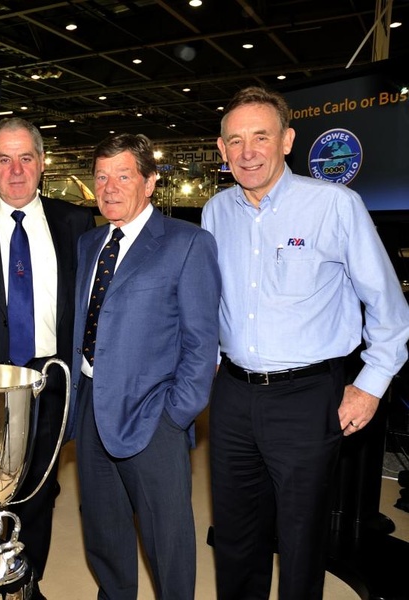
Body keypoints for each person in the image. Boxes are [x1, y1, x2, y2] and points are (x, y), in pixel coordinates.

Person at [201, 86, 409, 600]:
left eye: (261, 137)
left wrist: (371, 385)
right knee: (234, 534)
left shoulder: (334, 205)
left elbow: (388, 305)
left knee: (301, 536)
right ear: (222, 149)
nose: (248, 151)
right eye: (236, 140)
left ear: (287, 140)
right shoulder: (214, 211)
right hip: (231, 396)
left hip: (307, 397)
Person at [70, 133, 220, 599]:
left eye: (123, 176)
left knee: (166, 539)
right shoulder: (89, 243)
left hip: (153, 414)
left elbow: (202, 342)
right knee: (104, 533)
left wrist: (175, 416)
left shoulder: (187, 243)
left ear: (150, 181)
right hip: (92, 407)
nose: (109, 187)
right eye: (101, 177)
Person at [0, 117, 94, 599]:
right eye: (4, 160)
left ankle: (25, 585)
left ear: (42, 163)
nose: (16, 170)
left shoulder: (74, 222)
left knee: (39, 490)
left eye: (26, 158)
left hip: (50, 379)